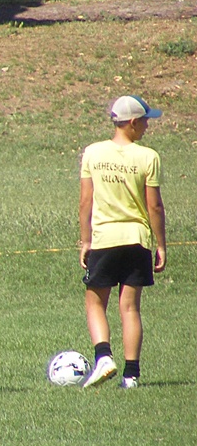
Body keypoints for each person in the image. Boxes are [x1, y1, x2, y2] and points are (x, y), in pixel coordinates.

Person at [78, 95, 166, 389]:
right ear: (132, 123)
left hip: (104, 238)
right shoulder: (148, 157)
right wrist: (161, 244)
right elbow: (154, 206)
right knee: (130, 308)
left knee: (95, 302)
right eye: (145, 121)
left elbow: (85, 202)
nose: (147, 127)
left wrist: (85, 241)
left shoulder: (93, 153)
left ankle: (104, 356)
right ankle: (131, 375)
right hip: (137, 239)